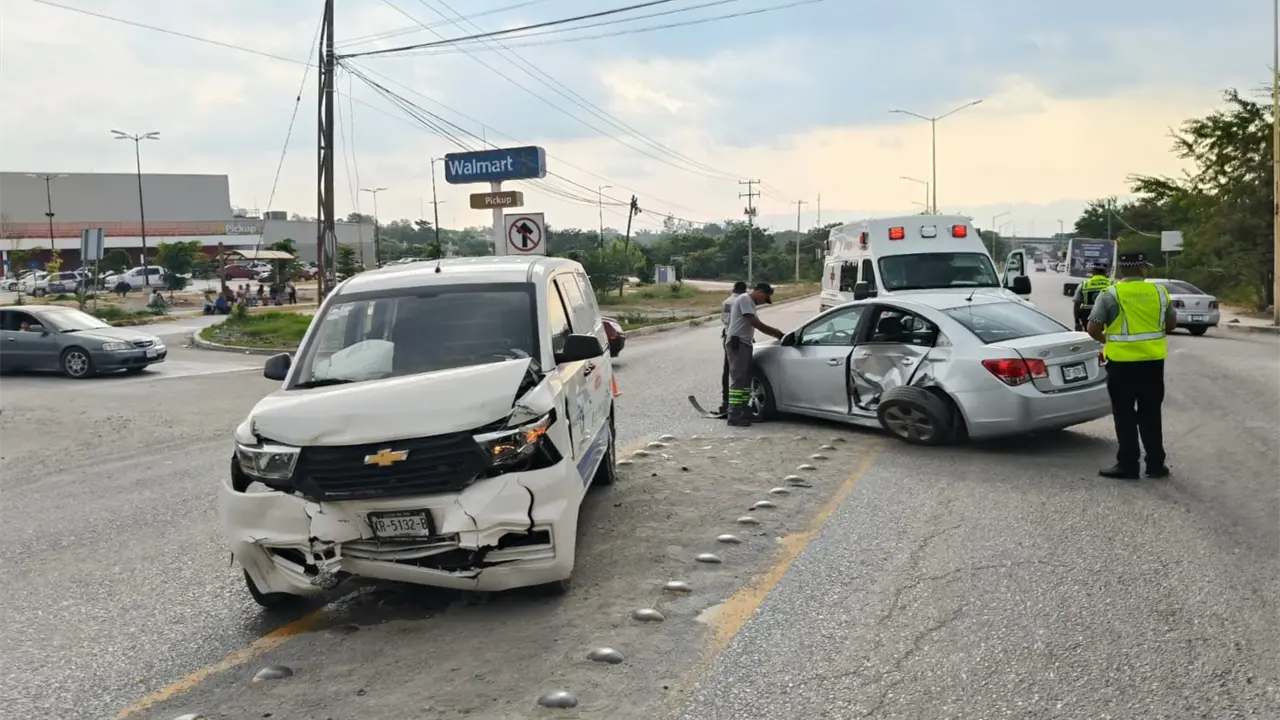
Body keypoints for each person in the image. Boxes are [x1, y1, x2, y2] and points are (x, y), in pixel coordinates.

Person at [1086, 251, 1176, 480]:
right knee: (1151, 414)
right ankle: (1156, 465)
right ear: (1143, 268)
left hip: (1121, 365)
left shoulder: (1110, 294)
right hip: (1153, 364)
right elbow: (1171, 323)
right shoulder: (1159, 291)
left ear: (1122, 270)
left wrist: (1110, 340)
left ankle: (1128, 464)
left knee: (1124, 414)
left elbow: (1093, 328)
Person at [724, 282, 785, 427]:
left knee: (746, 379)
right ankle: (734, 413)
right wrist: (776, 333)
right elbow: (754, 322)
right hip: (737, 343)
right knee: (739, 379)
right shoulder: (745, 299)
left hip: (744, 343)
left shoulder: (748, 302)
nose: (763, 302)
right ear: (760, 292)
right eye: (765, 298)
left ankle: (743, 410)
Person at [715, 281, 748, 418]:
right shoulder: (744, 301)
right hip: (738, 339)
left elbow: (724, 319)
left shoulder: (726, 302)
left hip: (727, 337)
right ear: (745, 290)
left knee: (727, 370)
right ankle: (738, 407)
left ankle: (725, 402)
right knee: (740, 373)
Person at [1072, 261, 1112, 330]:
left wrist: (1077, 323)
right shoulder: (1112, 284)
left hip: (1088, 319)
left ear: (1093, 271)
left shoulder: (1084, 285)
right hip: (1107, 318)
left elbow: (1076, 306)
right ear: (1105, 272)